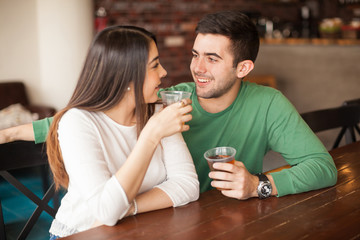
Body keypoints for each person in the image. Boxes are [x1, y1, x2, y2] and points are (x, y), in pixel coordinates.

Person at [0, 11, 337, 202]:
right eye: (195, 54)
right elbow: (89, 116)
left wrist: (259, 186)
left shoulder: (268, 104)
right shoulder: (173, 99)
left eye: (212, 58)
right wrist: (12, 132)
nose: (197, 67)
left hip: (226, 218)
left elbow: (322, 166)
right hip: (162, 215)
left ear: (243, 68)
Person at [37, 25, 199, 239]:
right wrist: (150, 136)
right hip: (84, 233)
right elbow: (106, 212)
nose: (164, 72)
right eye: (155, 65)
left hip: (139, 227)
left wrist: (128, 207)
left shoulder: (158, 111)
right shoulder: (77, 122)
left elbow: (188, 185)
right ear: (127, 78)